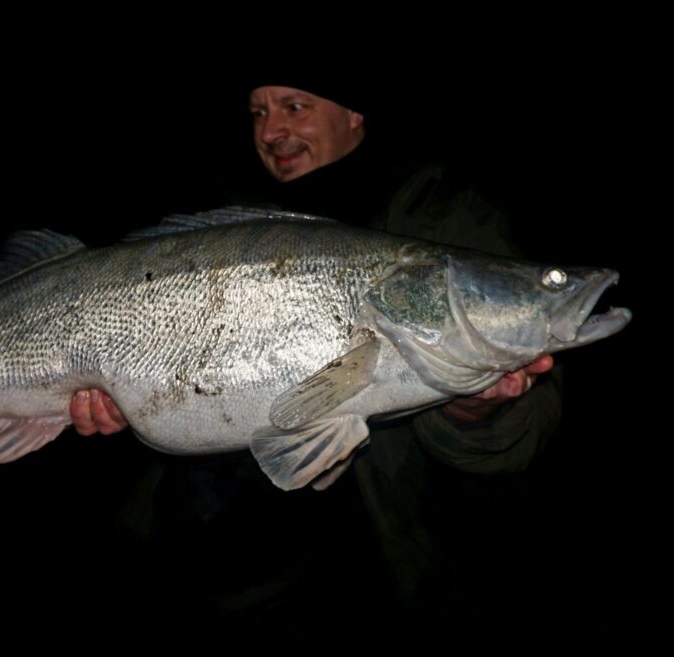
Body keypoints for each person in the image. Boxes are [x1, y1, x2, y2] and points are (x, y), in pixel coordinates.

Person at [67, 74, 562, 621]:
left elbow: (523, 440)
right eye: (257, 113)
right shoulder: (222, 219)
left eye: (294, 106)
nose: (271, 130)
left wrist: (475, 410)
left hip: (389, 579)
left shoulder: (446, 216)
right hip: (211, 569)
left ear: (355, 113)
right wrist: (117, 402)